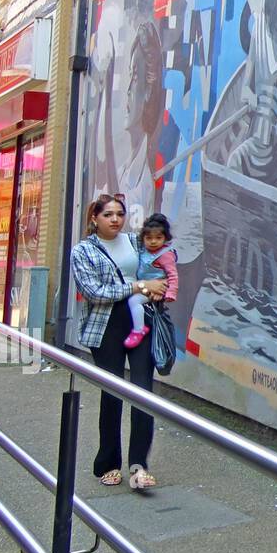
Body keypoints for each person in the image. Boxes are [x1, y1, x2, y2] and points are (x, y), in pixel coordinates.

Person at [70, 194, 167, 489]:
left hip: (141, 321)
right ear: (94, 219)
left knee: (142, 392)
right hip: (106, 325)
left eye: (119, 214)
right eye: (108, 214)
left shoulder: (135, 242)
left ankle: (139, 465)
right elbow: (94, 291)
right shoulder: (83, 251)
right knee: (112, 392)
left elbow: (155, 268)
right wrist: (138, 285)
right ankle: (108, 463)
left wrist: (160, 286)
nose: (115, 219)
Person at [124, 213, 178, 350]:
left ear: (165, 238)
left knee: (133, 301)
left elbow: (172, 275)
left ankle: (139, 330)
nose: (153, 242)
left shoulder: (165, 254)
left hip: (154, 288)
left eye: (158, 238)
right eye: (149, 238)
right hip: (143, 285)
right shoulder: (143, 250)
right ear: (143, 238)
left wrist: (170, 292)